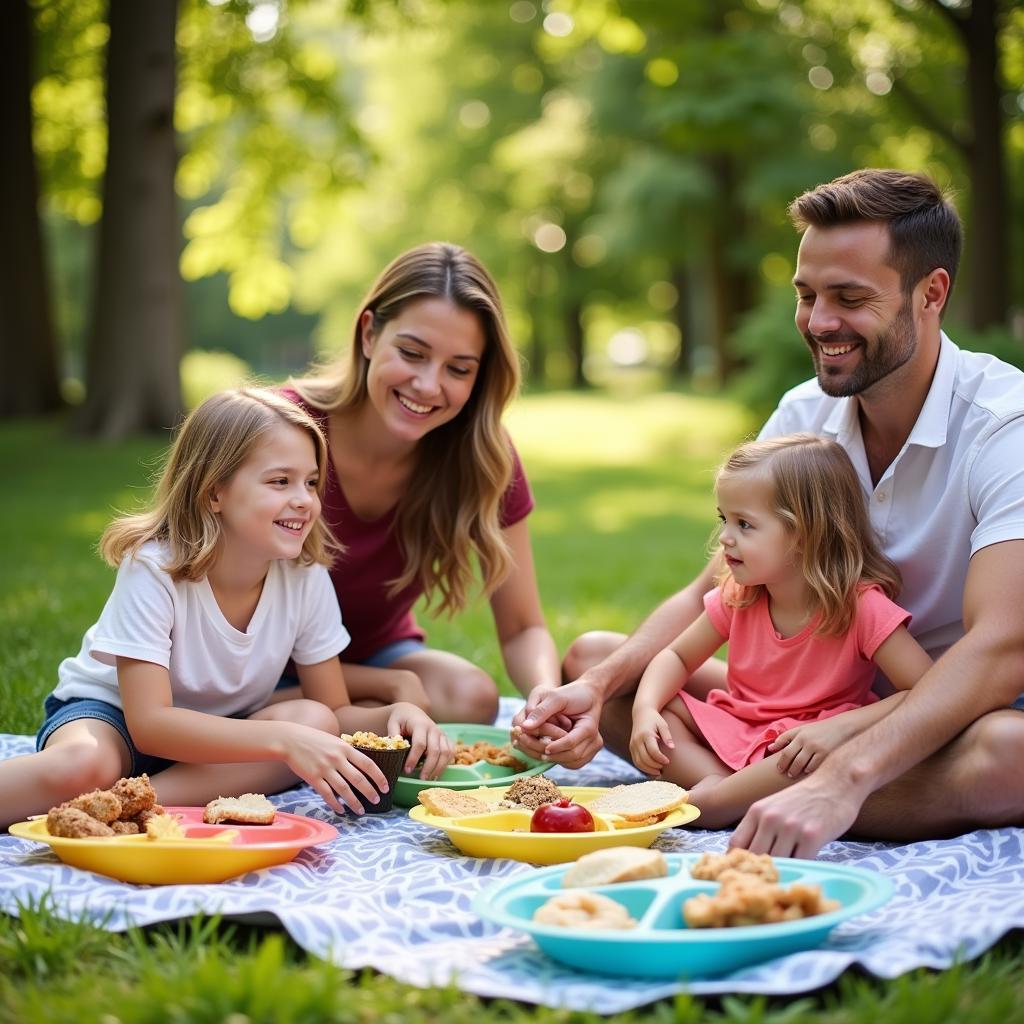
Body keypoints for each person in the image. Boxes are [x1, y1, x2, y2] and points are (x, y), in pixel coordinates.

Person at [514, 168, 1024, 855]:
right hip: (798, 702)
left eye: (848, 298)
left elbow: (1001, 649)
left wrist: (845, 773)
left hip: (935, 710)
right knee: (598, 659)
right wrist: (601, 685)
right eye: (807, 295)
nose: (818, 322)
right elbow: (713, 591)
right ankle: (767, 788)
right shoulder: (800, 416)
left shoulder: (1004, 424)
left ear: (931, 293)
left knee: (1008, 754)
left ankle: (734, 795)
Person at [0, 388, 451, 831]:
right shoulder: (156, 568)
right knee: (83, 764)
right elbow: (150, 724)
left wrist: (396, 716)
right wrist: (284, 741)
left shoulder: (304, 576)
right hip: (115, 719)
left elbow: (335, 708)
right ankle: (102, 792)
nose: (305, 499)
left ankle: (128, 806)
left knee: (315, 720)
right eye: (280, 481)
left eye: (311, 482)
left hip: (223, 732)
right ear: (214, 492)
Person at [279, 242, 561, 725]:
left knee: (469, 696)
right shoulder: (280, 429)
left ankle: (335, 721)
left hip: (374, 664)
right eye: (412, 353)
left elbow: (520, 627)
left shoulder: (483, 456)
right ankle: (318, 720)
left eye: (458, 369)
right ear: (369, 334)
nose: (429, 386)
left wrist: (548, 699)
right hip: (252, 667)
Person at [629, 434, 932, 828]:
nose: (725, 537)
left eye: (745, 524)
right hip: (741, 727)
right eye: (725, 519)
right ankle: (722, 787)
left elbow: (925, 689)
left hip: (804, 744)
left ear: (804, 534)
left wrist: (840, 727)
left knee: (816, 756)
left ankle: (720, 799)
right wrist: (644, 709)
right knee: (666, 707)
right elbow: (677, 656)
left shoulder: (860, 606)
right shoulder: (741, 595)